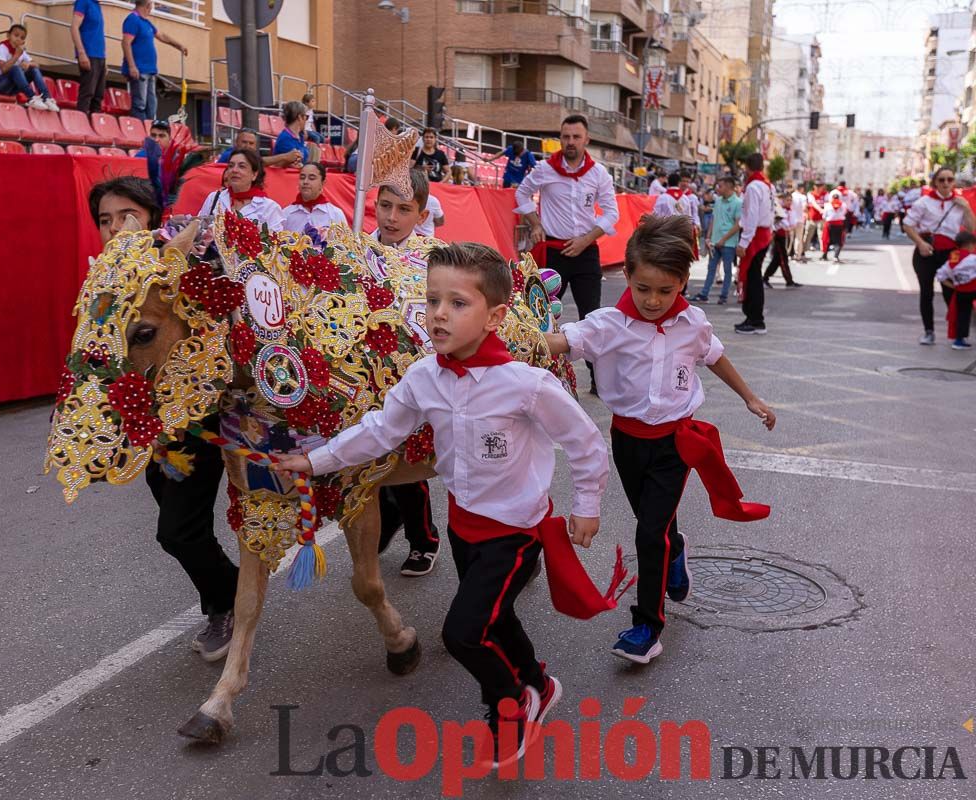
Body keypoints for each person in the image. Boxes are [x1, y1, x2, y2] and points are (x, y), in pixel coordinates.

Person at [275, 242, 608, 766]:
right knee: (495, 621)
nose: (438, 314)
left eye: (457, 303)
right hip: (463, 528)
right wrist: (316, 461)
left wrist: (586, 505)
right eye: (432, 300)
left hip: (515, 532)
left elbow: (586, 441)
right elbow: (381, 430)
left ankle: (510, 706)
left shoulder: (526, 384)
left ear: (495, 316)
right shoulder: (424, 376)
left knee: (462, 634)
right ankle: (541, 682)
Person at [546, 214, 774, 665]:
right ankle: (678, 548)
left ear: (683, 282)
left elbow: (715, 356)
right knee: (656, 525)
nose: (654, 300)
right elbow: (558, 342)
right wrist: (502, 340)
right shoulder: (608, 323)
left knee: (648, 532)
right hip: (627, 441)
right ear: (626, 274)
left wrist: (751, 397)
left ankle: (647, 626)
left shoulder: (692, 321)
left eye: (666, 290)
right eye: (644, 287)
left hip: (675, 443)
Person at [87, 175, 237, 661]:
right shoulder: (106, 283)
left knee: (177, 530)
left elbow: (225, 319)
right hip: (147, 424)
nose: (115, 229)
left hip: (199, 418)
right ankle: (230, 594)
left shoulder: (190, 258)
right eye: (105, 221)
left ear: (151, 215)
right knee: (176, 521)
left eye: (126, 215)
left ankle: (230, 603)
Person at [368, 170, 442, 575]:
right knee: (369, 458)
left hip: (416, 376)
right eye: (385, 206)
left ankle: (423, 537)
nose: (392, 217)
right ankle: (386, 518)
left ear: (422, 214)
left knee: (409, 464)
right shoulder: (354, 251)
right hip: (366, 376)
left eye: (404, 209)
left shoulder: (436, 258)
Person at [515, 113, 619, 394]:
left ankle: (600, 382)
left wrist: (586, 240)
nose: (570, 142)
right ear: (559, 139)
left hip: (585, 253)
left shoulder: (598, 174)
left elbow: (612, 213)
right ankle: (538, 377)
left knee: (593, 317)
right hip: (554, 252)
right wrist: (535, 224)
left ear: (586, 140)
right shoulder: (544, 169)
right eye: (565, 137)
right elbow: (522, 194)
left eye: (576, 137)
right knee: (543, 316)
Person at [903, 167, 976, 345]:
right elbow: (907, 225)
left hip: (950, 255)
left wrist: (966, 208)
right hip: (926, 252)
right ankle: (929, 331)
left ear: (954, 182)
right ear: (935, 182)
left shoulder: (959, 203)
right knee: (926, 293)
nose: (946, 183)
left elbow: (972, 230)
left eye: (950, 179)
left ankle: (958, 334)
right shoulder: (924, 202)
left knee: (952, 294)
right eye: (942, 180)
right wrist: (920, 243)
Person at [122, 0, 187, 121]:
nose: (152, 7)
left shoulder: (146, 22)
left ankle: (150, 130)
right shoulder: (133, 20)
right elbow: (126, 43)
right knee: (140, 104)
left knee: (151, 106)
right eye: (151, 4)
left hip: (150, 70)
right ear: (147, 5)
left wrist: (178, 45)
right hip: (139, 69)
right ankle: (141, 133)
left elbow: (161, 35)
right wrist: (132, 66)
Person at [734, 152, 774, 335]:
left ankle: (755, 319)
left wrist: (744, 242)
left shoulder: (753, 187)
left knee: (752, 278)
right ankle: (753, 317)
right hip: (764, 233)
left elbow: (751, 216)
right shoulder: (767, 185)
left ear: (748, 168)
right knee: (754, 277)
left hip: (756, 235)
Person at [197, 148, 285, 231]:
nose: (234, 170)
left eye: (242, 166)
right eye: (231, 166)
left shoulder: (269, 208)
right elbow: (198, 231)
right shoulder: (214, 198)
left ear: (254, 175)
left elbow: (275, 244)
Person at [692, 176, 742, 304]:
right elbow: (714, 219)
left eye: (721, 186)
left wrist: (724, 239)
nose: (718, 189)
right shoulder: (719, 201)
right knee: (711, 268)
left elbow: (738, 224)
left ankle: (724, 296)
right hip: (715, 240)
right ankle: (704, 293)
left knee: (727, 269)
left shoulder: (738, 202)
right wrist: (708, 236)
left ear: (729, 187)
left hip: (729, 243)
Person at [0, 24, 58, 112]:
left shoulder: (21, 52)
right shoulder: (1, 48)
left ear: (23, 42)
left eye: (22, 38)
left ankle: (46, 98)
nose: (18, 39)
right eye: (16, 35)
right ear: (8, 35)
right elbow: (4, 69)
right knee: (15, 69)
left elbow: (37, 64)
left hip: (12, 87)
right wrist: (16, 56)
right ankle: (31, 97)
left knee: (33, 69)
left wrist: (29, 64)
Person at [935, 230, 976, 349]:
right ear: (969, 244)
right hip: (973, 290)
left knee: (962, 315)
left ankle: (959, 340)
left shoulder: (953, 258)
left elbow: (940, 275)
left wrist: (953, 286)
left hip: (960, 292)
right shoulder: (973, 258)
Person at [282, 162, 346, 232]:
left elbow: (345, 241)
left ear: (322, 183)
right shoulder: (286, 214)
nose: (305, 182)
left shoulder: (335, 214)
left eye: (311, 178)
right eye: (302, 178)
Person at [71, 0, 106, 114]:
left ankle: (95, 125)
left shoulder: (97, 5)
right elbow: (74, 27)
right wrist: (81, 53)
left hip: (100, 55)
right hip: (89, 53)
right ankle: (81, 123)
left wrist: (104, 60)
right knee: (88, 92)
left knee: (98, 95)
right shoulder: (83, 2)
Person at [763, 195, 801, 288]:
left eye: (790, 200)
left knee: (777, 259)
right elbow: (780, 223)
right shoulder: (778, 210)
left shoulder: (790, 211)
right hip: (779, 235)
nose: (789, 202)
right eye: (787, 200)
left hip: (785, 235)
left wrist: (791, 227)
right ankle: (789, 280)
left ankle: (765, 278)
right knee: (783, 258)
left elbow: (792, 223)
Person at [272, 100, 311, 167]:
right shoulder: (285, 138)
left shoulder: (300, 136)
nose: (306, 120)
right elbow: (292, 164)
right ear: (299, 117)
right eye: (306, 117)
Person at [820, 187, 848, 261]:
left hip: (829, 225)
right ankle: (836, 256)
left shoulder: (827, 205)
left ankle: (824, 255)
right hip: (839, 225)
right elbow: (844, 213)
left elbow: (824, 216)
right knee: (838, 241)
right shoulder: (843, 205)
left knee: (827, 240)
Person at [802, 180, 826, 261]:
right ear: (814, 186)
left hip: (821, 218)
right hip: (812, 218)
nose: (819, 188)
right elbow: (813, 203)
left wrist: (824, 211)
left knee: (822, 236)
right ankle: (803, 252)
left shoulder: (825, 194)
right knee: (807, 235)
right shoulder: (810, 194)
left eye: (820, 186)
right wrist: (820, 209)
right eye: (817, 186)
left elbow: (827, 202)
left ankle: (824, 253)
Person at [789, 182, 808, 262]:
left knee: (790, 238)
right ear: (801, 188)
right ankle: (797, 255)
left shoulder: (791, 196)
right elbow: (804, 208)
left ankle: (789, 253)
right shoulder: (802, 197)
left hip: (790, 219)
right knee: (798, 238)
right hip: (800, 219)